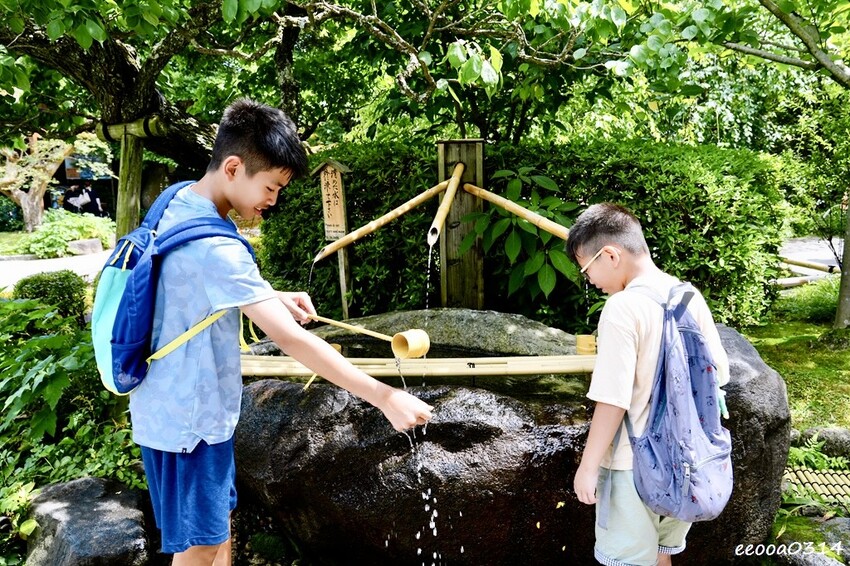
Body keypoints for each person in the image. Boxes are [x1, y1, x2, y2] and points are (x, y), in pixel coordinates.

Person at [129, 98, 434, 566]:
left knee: (217, 528)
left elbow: (193, 286)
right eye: (270, 186)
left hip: (173, 407)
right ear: (233, 167)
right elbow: (293, 341)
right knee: (201, 545)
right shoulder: (217, 247)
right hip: (190, 421)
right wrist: (384, 397)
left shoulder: (180, 199)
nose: (273, 200)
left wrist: (271, 297)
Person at [566, 203, 729, 566]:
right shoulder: (687, 294)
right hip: (687, 460)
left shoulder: (622, 308)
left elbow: (612, 399)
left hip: (632, 465)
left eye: (586, 268)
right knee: (661, 554)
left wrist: (588, 466)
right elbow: (719, 372)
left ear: (610, 254)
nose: (589, 280)